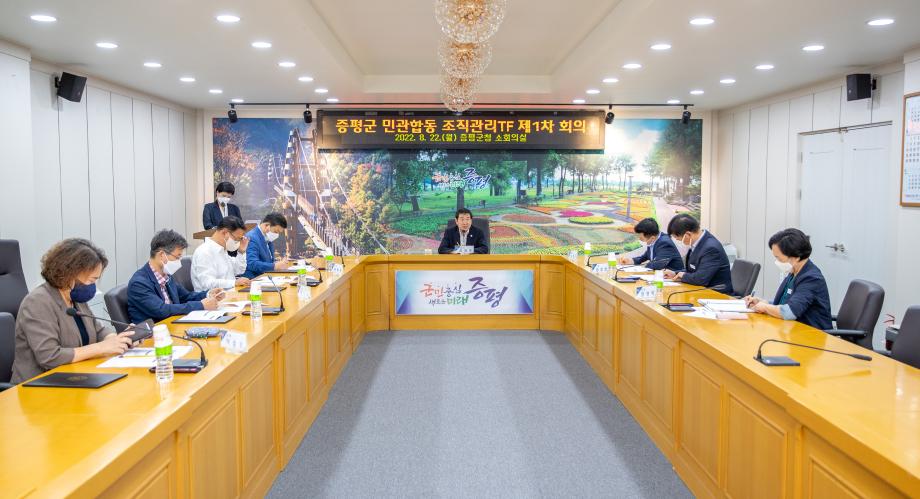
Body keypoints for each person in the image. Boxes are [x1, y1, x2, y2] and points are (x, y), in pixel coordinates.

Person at [11, 239, 135, 383]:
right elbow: (49, 357)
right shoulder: (37, 302)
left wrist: (119, 340)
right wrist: (101, 348)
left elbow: (99, 331)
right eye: (91, 280)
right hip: (38, 385)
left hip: (75, 376)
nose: (93, 286)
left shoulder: (75, 298)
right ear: (69, 274)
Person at [127, 229, 226, 324]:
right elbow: (162, 310)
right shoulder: (139, 283)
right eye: (177, 257)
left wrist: (208, 294)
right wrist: (201, 305)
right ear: (162, 255)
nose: (179, 262)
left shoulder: (166, 276)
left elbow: (186, 297)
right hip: (155, 332)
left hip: (173, 324)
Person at [744, 228, 832, 330]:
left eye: (779, 258)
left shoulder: (811, 278)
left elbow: (789, 312)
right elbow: (785, 304)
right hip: (792, 329)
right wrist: (763, 302)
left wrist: (765, 307)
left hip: (812, 334)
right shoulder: (794, 272)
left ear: (796, 256)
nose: (777, 261)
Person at [663, 214, 733, 294]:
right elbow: (693, 270)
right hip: (700, 291)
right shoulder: (697, 243)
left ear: (688, 235)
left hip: (716, 295)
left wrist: (683, 276)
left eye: (678, 238)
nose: (678, 241)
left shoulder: (711, 248)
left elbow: (701, 279)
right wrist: (675, 273)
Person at [192, 215, 251, 291]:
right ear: (224, 232)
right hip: (212, 296)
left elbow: (238, 270)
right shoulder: (204, 252)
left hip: (229, 293)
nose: (237, 242)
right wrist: (234, 283)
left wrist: (241, 252)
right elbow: (207, 284)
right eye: (236, 239)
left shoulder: (222, 249)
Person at [618, 218, 684, 271]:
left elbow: (656, 265)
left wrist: (638, 268)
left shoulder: (665, 243)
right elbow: (645, 256)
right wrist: (631, 261)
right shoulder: (654, 239)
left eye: (641, 238)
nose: (639, 239)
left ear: (652, 238)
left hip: (674, 279)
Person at [243, 212, 291, 278]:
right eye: (276, 231)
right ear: (266, 225)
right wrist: (275, 266)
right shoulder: (252, 238)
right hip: (253, 279)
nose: (277, 235)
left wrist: (279, 263)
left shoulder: (267, 237)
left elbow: (267, 261)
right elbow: (252, 263)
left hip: (266, 276)